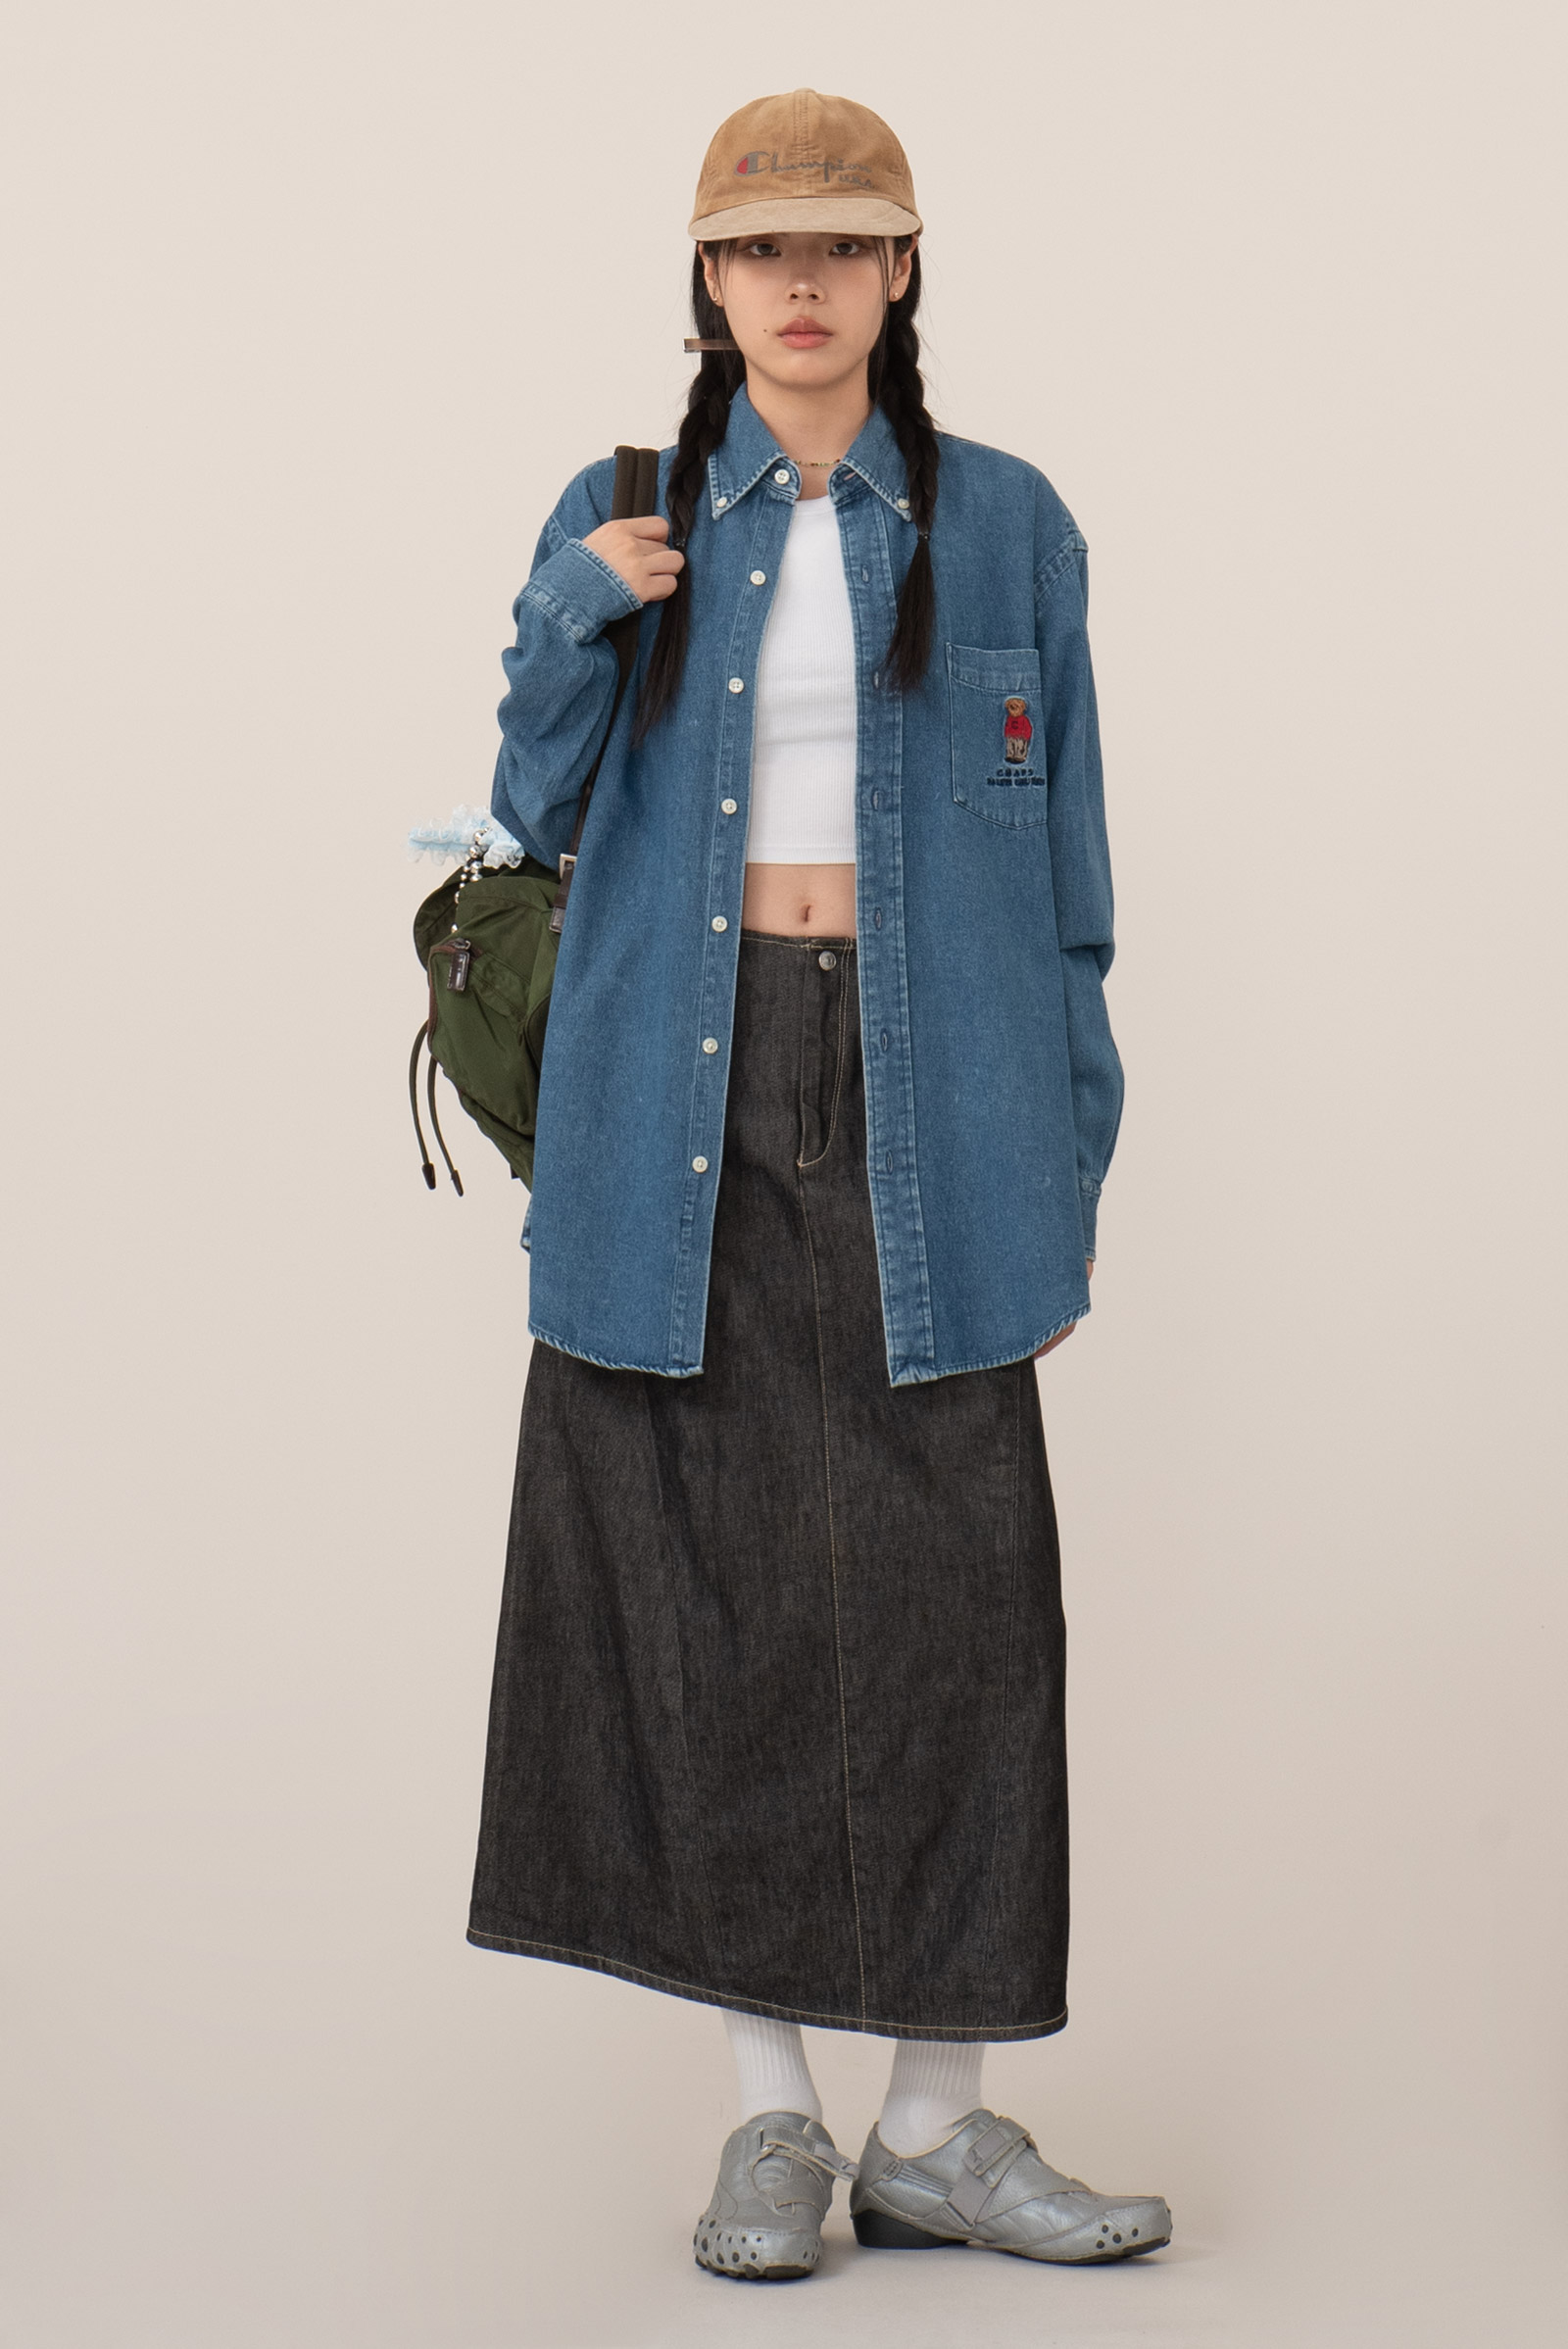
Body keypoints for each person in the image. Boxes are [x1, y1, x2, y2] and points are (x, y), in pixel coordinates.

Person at [466, 85, 1172, 2280]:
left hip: (942, 1096)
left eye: (843, 244)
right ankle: (768, 2112)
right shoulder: (622, 510)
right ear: (706, 280)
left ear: (899, 272)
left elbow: (1068, 886)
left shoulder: (1009, 524)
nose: (801, 283)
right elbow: (523, 807)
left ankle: (937, 2124)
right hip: (670, 1097)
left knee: (966, 1593)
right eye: (763, 248)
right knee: (704, 1588)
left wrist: (1064, 1163)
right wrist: (573, 613)